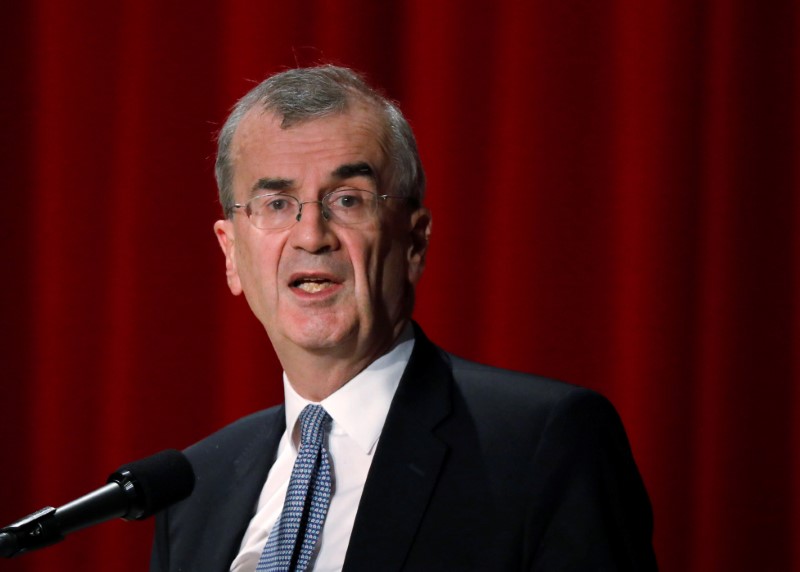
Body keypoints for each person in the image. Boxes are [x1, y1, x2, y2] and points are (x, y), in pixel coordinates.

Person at [150, 65, 657, 571]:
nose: (311, 236)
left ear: (414, 242)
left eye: (347, 200)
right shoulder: (195, 491)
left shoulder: (541, 445)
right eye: (277, 203)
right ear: (231, 254)